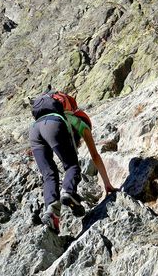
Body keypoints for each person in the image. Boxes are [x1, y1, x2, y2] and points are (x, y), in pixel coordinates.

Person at [29, 88, 116, 234]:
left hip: (34, 130)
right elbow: (95, 155)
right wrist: (107, 184)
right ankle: (68, 192)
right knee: (72, 167)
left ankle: (52, 214)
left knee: (48, 174)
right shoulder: (82, 123)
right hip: (53, 125)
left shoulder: (62, 114)